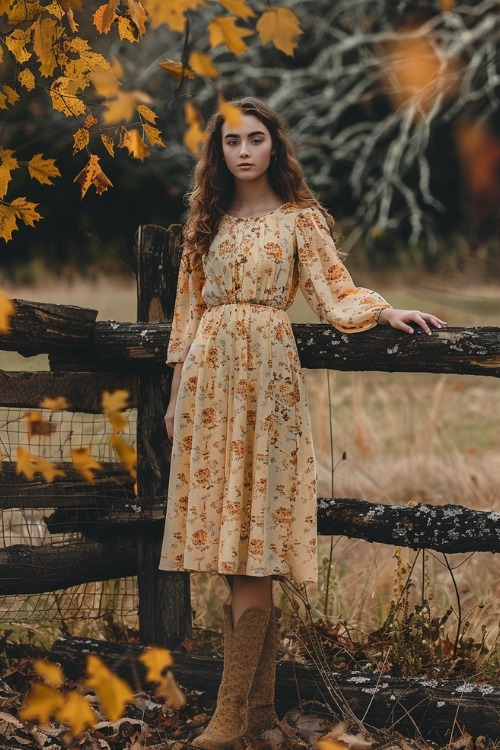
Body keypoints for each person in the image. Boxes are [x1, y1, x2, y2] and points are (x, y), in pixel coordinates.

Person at [160, 96, 446, 749]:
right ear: (219, 151)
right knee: (229, 548)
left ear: (273, 146)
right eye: (232, 141)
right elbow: (185, 316)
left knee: (253, 542)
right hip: (210, 381)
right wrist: (177, 397)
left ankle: (231, 715)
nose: (243, 151)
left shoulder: (300, 220)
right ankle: (255, 712)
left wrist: (384, 311)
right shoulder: (205, 221)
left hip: (267, 383)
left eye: (255, 139)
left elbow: (333, 293)